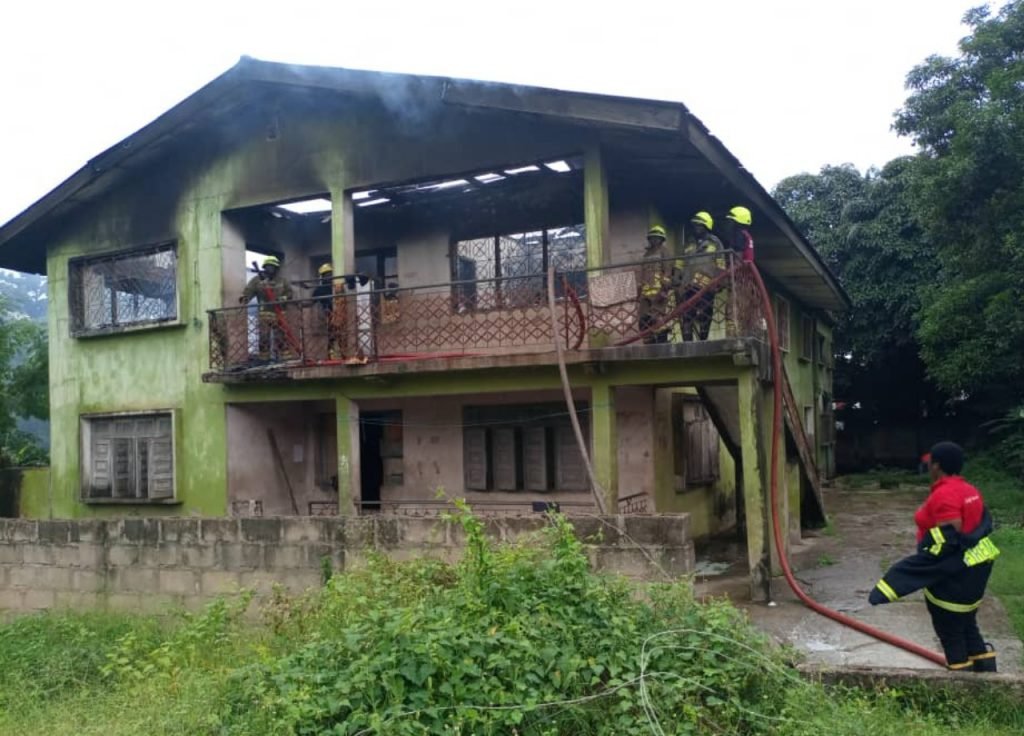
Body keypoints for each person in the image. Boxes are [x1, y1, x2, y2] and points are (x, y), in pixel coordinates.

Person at [869, 442, 1000, 672]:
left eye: (930, 463)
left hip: (953, 576)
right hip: (976, 567)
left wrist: (916, 569)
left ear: (937, 466)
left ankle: (963, 689)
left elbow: (949, 538)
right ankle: (988, 676)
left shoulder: (945, 495)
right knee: (968, 624)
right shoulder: (970, 490)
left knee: (950, 632)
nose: (928, 466)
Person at [677, 211, 725, 341]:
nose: (696, 228)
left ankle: (703, 339)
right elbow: (680, 263)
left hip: (706, 284)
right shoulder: (688, 243)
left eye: (699, 225)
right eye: (695, 225)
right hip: (688, 284)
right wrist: (676, 278)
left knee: (705, 312)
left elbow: (720, 263)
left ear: (706, 226)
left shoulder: (715, 243)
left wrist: (719, 282)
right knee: (687, 314)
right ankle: (688, 342)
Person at [239, 255, 295, 360]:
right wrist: (245, 298)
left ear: (276, 268)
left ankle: (285, 358)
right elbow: (249, 290)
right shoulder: (256, 280)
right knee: (264, 337)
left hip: (280, 313)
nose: (271, 268)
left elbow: (290, 293)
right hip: (265, 313)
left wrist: (282, 298)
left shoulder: (282, 281)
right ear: (264, 267)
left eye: (273, 267)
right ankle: (264, 358)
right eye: (269, 266)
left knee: (281, 337)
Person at [638, 225, 675, 344]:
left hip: (659, 290)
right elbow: (643, 271)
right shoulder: (646, 254)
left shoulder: (665, 252)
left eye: (657, 238)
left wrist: (664, 289)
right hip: (645, 291)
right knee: (643, 318)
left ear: (661, 239)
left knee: (658, 318)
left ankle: (661, 342)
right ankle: (648, 340)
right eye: (652, 238)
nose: (654, 240)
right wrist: (639, 288)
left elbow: (668, 270)